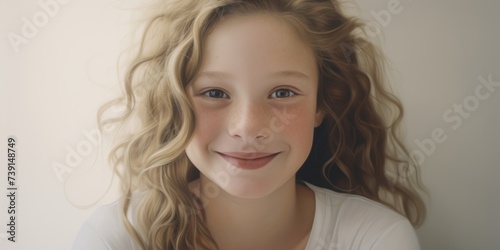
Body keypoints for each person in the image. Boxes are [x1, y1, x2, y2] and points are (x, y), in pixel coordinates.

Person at [73, 0, 427, 249]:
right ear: (175, 103)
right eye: (214, 92)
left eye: (283, 92)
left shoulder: (376, 239)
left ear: (322, 103)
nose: (247, 127)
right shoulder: (119, 238)